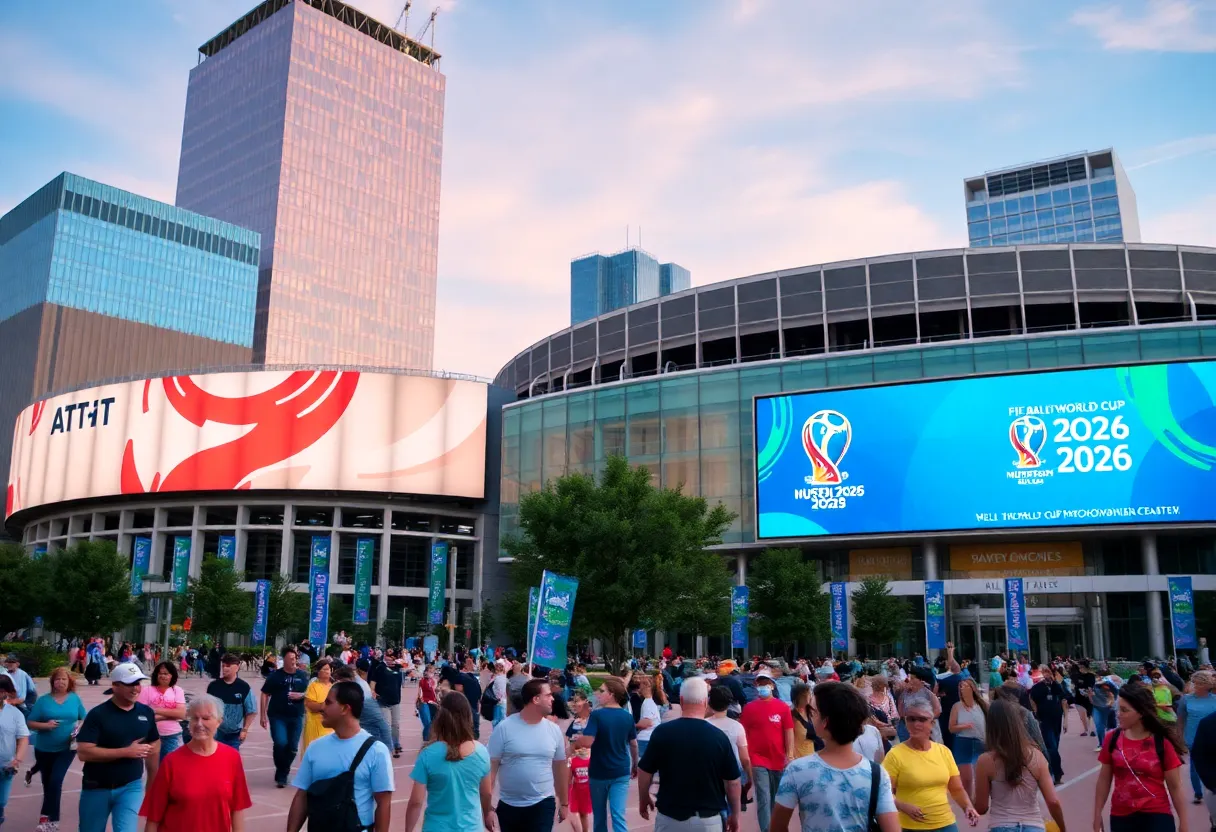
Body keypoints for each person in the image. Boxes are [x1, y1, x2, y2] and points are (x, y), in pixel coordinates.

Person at [771, 681, 899, 832]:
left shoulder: (797, 770)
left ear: (825, 722)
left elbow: (777, 827)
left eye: (813, 712)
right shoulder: (876, 773)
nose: (810, 716)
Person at [286, 681, 394, 832]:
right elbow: (302, 795)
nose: (322, 707)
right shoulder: (315, 748)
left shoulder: (376, 751)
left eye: (328, 702)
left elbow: (383, 803)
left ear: (345, 708)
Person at [636, 677, 742, 830]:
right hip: (708, 819)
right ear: (706, 702)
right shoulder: (719, 737)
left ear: (681, 700)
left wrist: (643, 798)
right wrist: (735, 815)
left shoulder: (663, 733)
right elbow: (733, 782)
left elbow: (645, 770)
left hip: (670, 817)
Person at [138, 693, 251, 831]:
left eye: (206, 718)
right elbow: (154, 815)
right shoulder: (172, 761)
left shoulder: (232, 757)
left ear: (219, 722)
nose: (199, 724)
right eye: (194, 718)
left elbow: (237, 808)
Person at [76, 662, 161, 832]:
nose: (135, 688)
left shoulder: (146, 713)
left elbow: (155, 741)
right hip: (97, 786)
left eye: (138, 683)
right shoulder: (98, 714)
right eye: (130, 684)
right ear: (115, 686)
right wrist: (126, 752)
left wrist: (152, 777)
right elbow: (84, 752)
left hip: (131, 786)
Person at [1093, 683, 1189, 832]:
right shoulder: (1112, 738)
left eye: (1124, 710)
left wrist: (1184, 822)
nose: (1118, 714)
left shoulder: (1161, 743)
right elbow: (1104, 779)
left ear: (1141, 713)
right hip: (1121, 816)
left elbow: (1175, 786)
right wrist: (1097, 813)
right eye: (1119, 709)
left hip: (1157, 815)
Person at [882, 699, 980, 832]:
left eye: (922, 720)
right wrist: (902, 806)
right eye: (911, 719)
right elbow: (883, 792)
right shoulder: (895, 755)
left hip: (946, 823)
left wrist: (967, 807)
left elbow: (956, 789)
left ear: (932, 723)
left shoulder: (943, 751)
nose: (916, 724)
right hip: (912, 826)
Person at [487, 679, 569, 831]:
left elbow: (560, 768)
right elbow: (491, 769)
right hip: (509, 806)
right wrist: (487, 807)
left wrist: (564, 802)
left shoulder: (554, 730)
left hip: (543, 803)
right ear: (536, 699)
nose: (553, 699)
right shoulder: (504, 728)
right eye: (549, 695)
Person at [403, 693, 491, 832]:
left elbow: (416, 802)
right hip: (471, 827)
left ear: (440, 718)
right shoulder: (481, 752)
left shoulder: (428, 754)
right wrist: (487, 815)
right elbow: (486, 793)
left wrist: (408, 829)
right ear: (468, 717)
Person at [973, 700, 1066, 832]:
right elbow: (1053, 802)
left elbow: (981, 808)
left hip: (1001, 825)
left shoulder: (986, 761)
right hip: (1033, 825)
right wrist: (1062, 828)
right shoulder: (1036, 756)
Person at [25, 666, 86, 832]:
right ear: (52, 682)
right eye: (57, 679)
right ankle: (46, 816)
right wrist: (45, 725)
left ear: (69, 682)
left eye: (64, 679)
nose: (61, 682)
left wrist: (77, 729)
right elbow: (30, 722)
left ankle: (52, 820)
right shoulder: (43, 701)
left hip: (67, 748)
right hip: (44, 749)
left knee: (56, 780)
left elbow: (84, 718)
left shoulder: (74, 699)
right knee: (48, 784)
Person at [577, 676, 638, 832]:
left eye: (602, 691)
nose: (598, 693)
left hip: (599, 771)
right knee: (618, 815)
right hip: (621, 770)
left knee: (600, 817)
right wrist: (635, 764)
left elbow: (588, 741)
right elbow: (633, 744)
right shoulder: (628, 717)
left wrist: (575, 743)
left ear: (611, 694)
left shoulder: (597, 715)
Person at [738, 671, 794, 831]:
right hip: (758, 759)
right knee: (763, 797)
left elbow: (788, 731)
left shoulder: (782, 707)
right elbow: (744, 733)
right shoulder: (749, 708)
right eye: (760, 684)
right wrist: (746, 757)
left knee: (777, 799)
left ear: (772, 685)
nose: (763, 686)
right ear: (756, 686)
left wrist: (789, 754)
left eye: (766, 683)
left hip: (778, 758)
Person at [259, 647, 310, 788]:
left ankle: (284, 769)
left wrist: (302, 695)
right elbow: (265, 693)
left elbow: (309, 692)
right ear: (284, 661)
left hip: (296, 715)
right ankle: (282, 774)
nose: (293, 661)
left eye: (295, 659)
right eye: (290, 659)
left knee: (293, 747)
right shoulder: (275, 676)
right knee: (281, 743)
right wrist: (262, 715)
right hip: (278, 715)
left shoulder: (302, 675)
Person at [707, 684, 752, 829]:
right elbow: (744, 758)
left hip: (710, 773)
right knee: (733, 809)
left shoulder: (705, 725)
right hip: (733, 774)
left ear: (709, 702)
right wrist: (750, 777)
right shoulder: (736, 726)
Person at [334, 665, 395, 751]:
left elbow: (382, 724)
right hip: (365, 726)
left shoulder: (359, 687)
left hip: (370, 726)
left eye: (341, 681)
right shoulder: (358, 682)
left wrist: (388, 746)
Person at [1179, 670, 1216, 804]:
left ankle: (1212, 787)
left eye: (1198, 683)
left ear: (1205, 684)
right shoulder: (1186, 699)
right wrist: (1180, 738)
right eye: (1194, 683)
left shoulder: (1215, 699)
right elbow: (1181, 720)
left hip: (1212, 737)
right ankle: (1198, 793)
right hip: (1193, 737)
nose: (1194, 686)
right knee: (1195, 766)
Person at [138, 662, 188, 761]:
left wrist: (155, 710)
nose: (162, 676)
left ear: (172, 675)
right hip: (152, 737)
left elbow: (182, 714)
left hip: (173, 735)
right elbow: (142, 716)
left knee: (173, 767)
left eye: (166, 674)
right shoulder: (147, 690)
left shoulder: (177, 690)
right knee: (155, 771)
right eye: (160, 673)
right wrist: (171, 715)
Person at [207, 654, 257, 750]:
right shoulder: (213, 686)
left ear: (237, 667)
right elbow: (206, 708)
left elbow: (251, 711)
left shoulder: (244, 687)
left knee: (231, 761)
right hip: (216, 733)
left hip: (235, 734)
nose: (225, 668)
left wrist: (245, 729)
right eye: (223, 666)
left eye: (228, 666)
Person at [949, 678, 988, 798]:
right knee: (966, 778)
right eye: (961, 687)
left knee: (981, 776)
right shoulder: (957, 707)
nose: (962, 689)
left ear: (973, 688)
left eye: (965, 686)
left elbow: (991, 723)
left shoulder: (982, 705)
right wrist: (964, 726)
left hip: (980, 742)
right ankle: (968, 804)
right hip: (963, 742)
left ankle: (981, 801)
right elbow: (951, 728)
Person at [0, 675, 30, 830]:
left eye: (2, 690)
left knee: (1, 802)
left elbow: (23, 738)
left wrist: (17, 759)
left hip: (5, 766)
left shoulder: (15, 713)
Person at [1028, 665, 1066, 785]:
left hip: (1057, 720)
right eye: (1043, 672)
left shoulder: (1056, 686)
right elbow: (1031, 699)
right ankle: (1057, 774)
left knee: (1054, 747)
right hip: (1045, 721)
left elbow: (1063, 700)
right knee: (1052, 747)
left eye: (1048, 672)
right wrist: (1035, 713)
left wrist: (1066, 720)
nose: (1046, 674)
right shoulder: (1037, 688)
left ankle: (1051, 771)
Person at [369, 651, 404, 758]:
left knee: (396, 725)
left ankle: (396, 743)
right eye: (388, 657)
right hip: (383, 700)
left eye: (392, 657)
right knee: (387, 725)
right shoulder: (380, 667)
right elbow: (373, 681)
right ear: (385, 657)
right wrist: (372, 691)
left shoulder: (398, 668)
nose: (390, 659)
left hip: (395, 700)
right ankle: (390, 747)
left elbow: (406, 668)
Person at [301, 658, 334, 753]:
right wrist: (324, 706)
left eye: (328, 669)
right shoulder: (313, 686)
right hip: (315, 726)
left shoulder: (334, 687)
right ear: (318, 672)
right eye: (323, 669)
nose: (326, 672)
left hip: (331, 727)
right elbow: (310, 705)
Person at [633, 675, 662, 759]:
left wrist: (631, 725)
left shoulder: (648, 702)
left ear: (646, 686)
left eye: (640, 685)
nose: (639, 688)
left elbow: (647, 722)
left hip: (645, 739)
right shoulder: (650, 701)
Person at [790, 682, 821, 758]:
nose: (809, 696)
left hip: (811, 753)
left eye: (810, 693)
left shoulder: (811, 710)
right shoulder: (791, 714)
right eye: (806, 694)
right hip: (798, 755)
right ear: (798, 697)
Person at [417, 664, 439, 741]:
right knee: (428, 723)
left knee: (434, 723)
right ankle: (426, 741)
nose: (431, 673)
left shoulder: (435, 680)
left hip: (433, 703)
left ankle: (432, 739)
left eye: (432, 672)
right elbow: (420, 693)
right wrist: (420, 701)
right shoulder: (423, 681)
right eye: (429, 671)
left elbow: (436, 692)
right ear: (426, 672)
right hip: (424, 702)